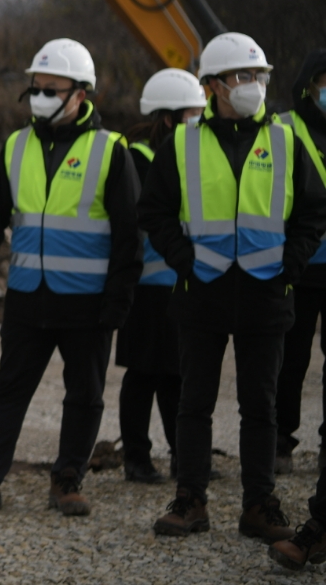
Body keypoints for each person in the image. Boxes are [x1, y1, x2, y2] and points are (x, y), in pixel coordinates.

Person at [139, 32, 326, 543]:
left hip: (267, 294)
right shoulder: (182, 142)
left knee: (260, 408)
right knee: (194, 404)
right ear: (213, 87)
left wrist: (292, 265)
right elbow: (152, 211)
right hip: (202, 291)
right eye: (242, 77)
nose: (252, 86)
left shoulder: (285, 140)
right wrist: (182, 259)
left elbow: (314, 210)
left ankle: (259, 505)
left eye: (257, 76)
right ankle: (191, 500)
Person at [0, 38, 139, 518]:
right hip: (28, 298)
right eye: (36, 88)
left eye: (52, 90)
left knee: (85, 395)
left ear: (81, 94)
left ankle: (68, 478)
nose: (41, 97)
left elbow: (129, 237)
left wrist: (118, 302)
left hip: (88, 302)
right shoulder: (16, 146)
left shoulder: (111, 151)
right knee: (8, 389)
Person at [114, 68, 207, 485]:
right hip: (146, 286)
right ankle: (136, 458)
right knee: (143, 376)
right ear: (167, 118)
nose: (198, 122)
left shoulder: (191, 156)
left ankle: (183, 457)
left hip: (178, 282)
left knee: (175, 374)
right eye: (191, 114)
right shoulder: (137, 158)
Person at [270, 50, 326, 569]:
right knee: (290, 361)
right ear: (308, 86)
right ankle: (282, 441)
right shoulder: (285, 129)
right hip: (302, 265)